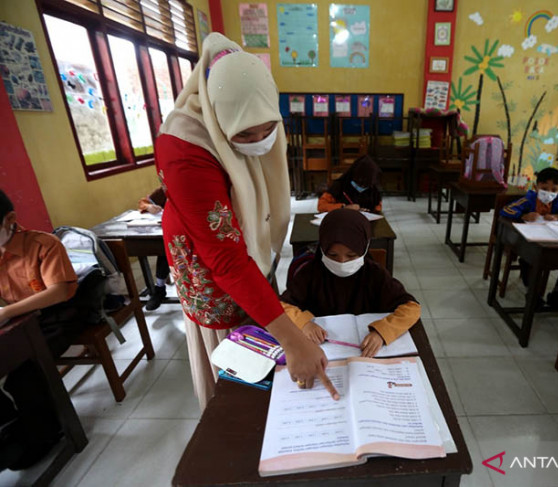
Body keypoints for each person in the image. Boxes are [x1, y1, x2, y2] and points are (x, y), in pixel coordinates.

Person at [154, 33, 337, 410]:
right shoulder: (184, 148)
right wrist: (291, 339)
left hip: (240, 255)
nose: (259, 140)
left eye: (268, 128)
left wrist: (287, 332)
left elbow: (253, 231)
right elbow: (226, 259)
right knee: (233, 379)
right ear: (219, 118)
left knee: (262, 330)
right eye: (245, 134)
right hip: (210, 263)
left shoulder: (256, 112)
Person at [0, 190, 79, 470]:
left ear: (10, 219)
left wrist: (8, 311)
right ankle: (12, 430)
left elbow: (58, 292)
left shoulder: (43, 244)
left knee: (23, 375)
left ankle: (47, 434)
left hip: (57, 318)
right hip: (20, 320)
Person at [280, 209, 420, 357]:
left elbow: (411, 308)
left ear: (364, 248)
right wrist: (304, 324)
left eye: (351, 255)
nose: (342, 262)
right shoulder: (310, 273)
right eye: (332, 255)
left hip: (364, 353)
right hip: (322, 352)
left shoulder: (375, 274)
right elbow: (282, 305)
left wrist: (382, 332)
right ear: (322, 248)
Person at [500, 167, 558, 308]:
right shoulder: (529, 199)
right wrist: (523, 215)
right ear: (536, 186)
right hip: (531, 240)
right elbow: (506, 210)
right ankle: (532, 292)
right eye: (545, 188)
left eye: (554, 190)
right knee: (529, 259)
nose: (549, 193)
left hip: (554, 239)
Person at [137, 186, 171, 310]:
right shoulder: (164, 189)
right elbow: (143, 202)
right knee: (164, 249)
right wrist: (149, 207)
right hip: (171, 233)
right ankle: (159, 288)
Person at [318, 155, 383, 213]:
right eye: (360, 182)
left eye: (366, 184)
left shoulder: (372, 188)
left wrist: (368, 210)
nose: (363, 186)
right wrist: (343, 207)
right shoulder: (339, 186)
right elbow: (321, 206)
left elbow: (378, 207)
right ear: (354, 176)